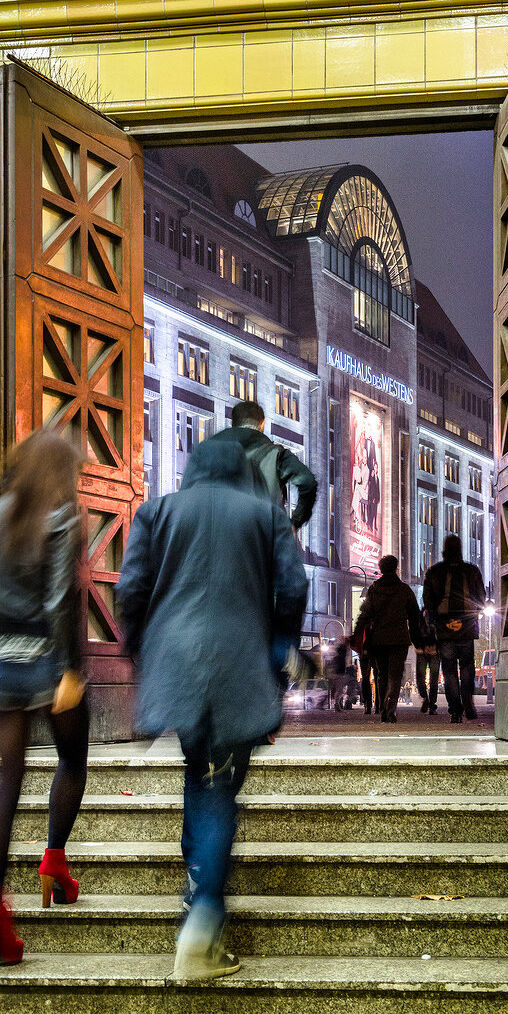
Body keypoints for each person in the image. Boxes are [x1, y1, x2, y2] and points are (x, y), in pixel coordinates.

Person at [116, 438, 308, 980]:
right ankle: (202, 920)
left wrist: (139, 649)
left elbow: (131, 589)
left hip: (176, 662)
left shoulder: (157, 511)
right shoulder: (266, 516)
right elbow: (293, 588)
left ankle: (196, 885)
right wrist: (279, 649)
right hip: (238, 663)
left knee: (198, 772)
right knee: (220, 785)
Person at [0, 430, 89, 968]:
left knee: (7, 783)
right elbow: (62, 598)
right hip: (45, 656)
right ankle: (54, 861)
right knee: (71, 760)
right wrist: (70, 670)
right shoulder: (63, 518)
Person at [208, 400, 317, 530]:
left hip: (218, 536)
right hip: (262, 537)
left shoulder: (208, 453)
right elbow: (308, 482)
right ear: (262, 425)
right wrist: (295, 523)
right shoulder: (276, 454)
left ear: (233, 424)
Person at [350, 555, 423, 723]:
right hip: (399, 639)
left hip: (379, 639)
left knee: (381, 675)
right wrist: (416, 637)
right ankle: (390, 709)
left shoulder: (374, 589)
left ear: (381, 569)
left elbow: (365, 614)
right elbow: (414, 615)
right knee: (396, 676)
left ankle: (383, 708)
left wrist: (356, 634)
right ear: (396, 568)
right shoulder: (404, 589)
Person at [423, 534, 486, 724]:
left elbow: (428, 601)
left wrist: (436, 620)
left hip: (444, 627)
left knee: (449, 669)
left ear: (444, 549)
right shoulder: (471, 570)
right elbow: (481, 598)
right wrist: (473, 614)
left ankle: (455, 711)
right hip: (466, 625)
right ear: (460, 549)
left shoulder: (434, 572)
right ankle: (467, 699)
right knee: (467, 666)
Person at [416, 608, 440, 715]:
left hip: (429, 650)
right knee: (431, 678)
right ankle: (429, 702)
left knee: (424, 677)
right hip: (426, 649)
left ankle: (427, 700)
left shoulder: (423, 615)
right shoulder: (424, 615)